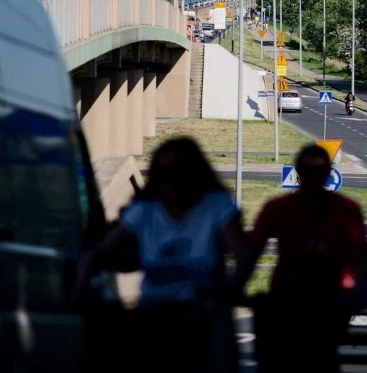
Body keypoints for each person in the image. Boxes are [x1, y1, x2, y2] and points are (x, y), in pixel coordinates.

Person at [76, 136, 246, 373]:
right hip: (155, 314)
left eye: (181, 172)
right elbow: (99, 251)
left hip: (204, 315)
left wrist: (232, 288)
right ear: (157, 177)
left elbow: (243, 254)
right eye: (165, 173)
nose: (174, 182)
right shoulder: (145, 210)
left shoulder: (216, 206)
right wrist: (81, 288)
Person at [236, 144, 367, 373]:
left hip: (326, 303)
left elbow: (362, 259)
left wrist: (354, 296)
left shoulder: (346, 210)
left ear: (328, 175)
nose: (313, 180)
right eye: (308, 173)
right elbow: (251, 252)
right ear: (299, 174)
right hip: (285, 302)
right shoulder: (279, 208)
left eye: (318, 173)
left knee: (322, 357)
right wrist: (237, 287)